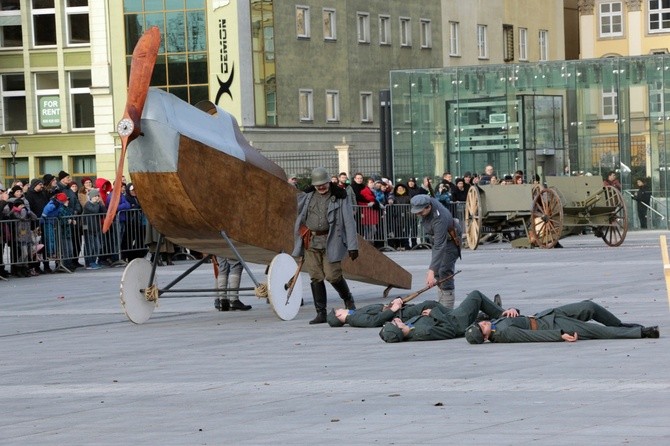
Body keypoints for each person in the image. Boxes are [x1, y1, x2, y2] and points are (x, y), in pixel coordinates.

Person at [292, 167, 359, 324]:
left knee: (332, 275)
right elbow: (298, 212)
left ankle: (348, 299)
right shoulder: (307, 196)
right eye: (317, 185)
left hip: (332, 240)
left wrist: (352, 246)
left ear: (329, 182)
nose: (321, 187)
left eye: (323, 184)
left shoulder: (340, 197)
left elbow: (349, 222)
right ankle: (320, 312)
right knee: (315, 276)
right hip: (311, 241)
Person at [465, 300, 659, 344]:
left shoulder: (497, 324)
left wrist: (513, 310)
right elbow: (532, 336)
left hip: (548, 314)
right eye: (481, 328)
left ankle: (621, 325)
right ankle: (642, 333)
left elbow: (517, 318)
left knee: (589, 307)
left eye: (481, 324)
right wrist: (560, 336)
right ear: (484, 337)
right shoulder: (504, 334)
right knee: (595, 331)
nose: (483, 324)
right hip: (553, 326)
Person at [378, 290, 518, 342]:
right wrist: (434, 312)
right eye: (395, 323)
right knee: (476, 296)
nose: (395, 320)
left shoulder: (410, 328)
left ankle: (489, 314)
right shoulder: (424, 332)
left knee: (476, 314)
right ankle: (502, 315)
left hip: (449, 316)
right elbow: (449, 331)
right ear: (399, 329)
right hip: (456, 322)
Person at [410, 194, 461, 308]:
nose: (418, 214)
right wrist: (433, 271)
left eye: (420, 212)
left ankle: (447, 309)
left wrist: (431, 271)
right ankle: (442, 304)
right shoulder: (427, 201)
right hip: (438, 240)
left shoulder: (439, 219)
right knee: (438, 273)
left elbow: (439, 245)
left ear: (428, 207)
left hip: (450, 240)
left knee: (444, 271)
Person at [327, 298, 438, 328]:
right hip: (400, 314)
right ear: (338, 315)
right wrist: (393, 309)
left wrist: (392, 304)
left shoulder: (355, 314)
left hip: (399, 311)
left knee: (429, 305)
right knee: (429, 304)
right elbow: (374, 321)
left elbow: (377, 310)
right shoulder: (354, 318)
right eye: (337, 310)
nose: (340, 308)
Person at [82, 188, 106, 269]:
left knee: (97, 246)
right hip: (89, 229)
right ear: (91, 197)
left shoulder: (97, 204)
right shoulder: (87, 205)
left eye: (97, 196)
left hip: (96, 228)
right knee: (90, 246)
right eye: (95, 196)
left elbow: (104, 211)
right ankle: (89, 263)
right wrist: (98, 204)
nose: (97, 197)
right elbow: (95, 210)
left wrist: (101, 204)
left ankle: (94, 261)